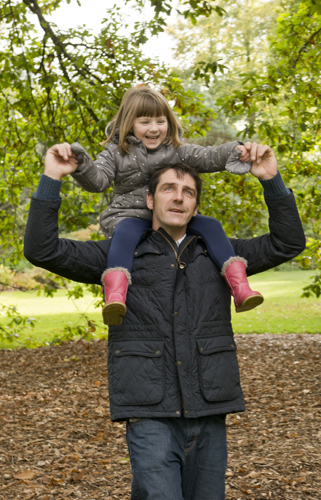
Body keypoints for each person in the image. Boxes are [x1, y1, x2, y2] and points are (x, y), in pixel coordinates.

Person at [24, 142, 305, 500]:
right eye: (168, 188)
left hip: (209, 408)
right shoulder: (115, 255)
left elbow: (288, 243)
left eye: (188, 192)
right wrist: (52, 177)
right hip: (150, 414)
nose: (179, 197)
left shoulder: (221, 255)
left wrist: (270, 179)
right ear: (149, 200)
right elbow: (41, 249)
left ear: (196, 206)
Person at [54, 86, 263, 326]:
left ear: (169, 123)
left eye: (160, 121)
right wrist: (82, 164)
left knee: (212, 225)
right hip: (129, 216)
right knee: (124, 234)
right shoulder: (115, 153)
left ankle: (240, 288)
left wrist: (235, 151)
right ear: (129, 123)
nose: (154, 129)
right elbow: (98, 181)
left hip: (172, 217)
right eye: (144, 121)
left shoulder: (177, 150)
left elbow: (209, 156)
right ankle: (115, 296)